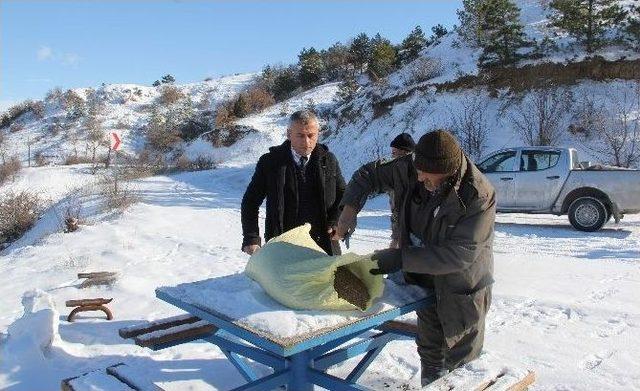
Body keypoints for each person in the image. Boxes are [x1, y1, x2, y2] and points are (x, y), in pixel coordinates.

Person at [332, 129, 495, 386]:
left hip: (461, 291)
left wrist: (399, 258)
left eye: (427, 177)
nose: (419, 178)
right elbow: (367, 175)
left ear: (448, 172)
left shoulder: (478, 195)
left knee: (460, 368)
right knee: (430, 353)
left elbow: (460, 255)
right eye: (417, 172)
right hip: (423, 282)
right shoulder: (413, 166)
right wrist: (349, 211)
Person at [241, 110, 346, 256]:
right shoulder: (270, 162)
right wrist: (251, 238)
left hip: (324, 244)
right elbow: (250, 201)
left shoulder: (328, 160)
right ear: (289, 134)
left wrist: (335, 222)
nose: (307, 142)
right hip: (283, 244)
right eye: (300, 135)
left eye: (311, 135)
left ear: (318, 133)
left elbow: (343, 195)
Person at [388, 133, 415, 249]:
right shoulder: (396, 174)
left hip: (414, 235)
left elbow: (399, 210)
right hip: (403, 234)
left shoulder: (415, 175)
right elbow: (395, 211)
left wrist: (395, 239)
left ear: (405, 153)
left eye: (394, 153)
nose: (392, 156)